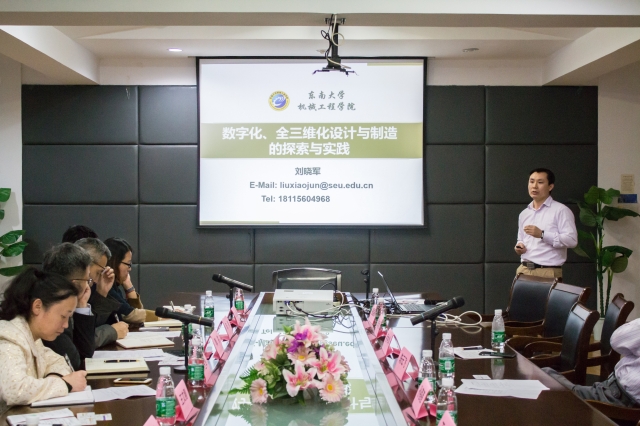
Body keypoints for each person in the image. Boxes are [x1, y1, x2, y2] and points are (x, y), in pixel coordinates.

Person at [0, 268, 87, 414]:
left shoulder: (33, 338)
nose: (66, 325)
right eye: (63, 316)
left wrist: (53, 378)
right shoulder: (8, 338)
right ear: (37, 306)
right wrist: (64, 384)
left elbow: (59, 361)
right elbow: (15, 390)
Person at [543, 318, 640, 407]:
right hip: (610, 390)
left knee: (545, 377)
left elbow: (616, 340)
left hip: (616, 401)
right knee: (545, 375)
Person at [514, 168, 578, 279]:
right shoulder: (524, 213)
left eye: (540, 182)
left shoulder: (561, 210)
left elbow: (572, 240)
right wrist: (520, 246)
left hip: (547, 271)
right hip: (523, 270)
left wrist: (542, 234)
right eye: (531, 181)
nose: (534, 186)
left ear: (550, 186)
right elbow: (521, 239)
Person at [41, 243, 95, 370]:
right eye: (87, 280)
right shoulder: (50, 312)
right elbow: (75, 362)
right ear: (74, 284)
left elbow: (84, 354)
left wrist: (81, 305)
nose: (89, 285)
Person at [75, 238, 129, 347]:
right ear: (85, 264)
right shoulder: (65, 292)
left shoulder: (89, 289)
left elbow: (90, 328)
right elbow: (80, 342)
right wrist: (112, 332)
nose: (95, 281)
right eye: (98, 272)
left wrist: (102, 292)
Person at [104, 238, 147, 324]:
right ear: (115, 262)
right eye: (128, 264)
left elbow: (135, 314)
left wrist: (129, 288)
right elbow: (133, 316)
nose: (130, 269)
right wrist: (162, 317)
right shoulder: (106, 288)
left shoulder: (115, 287)